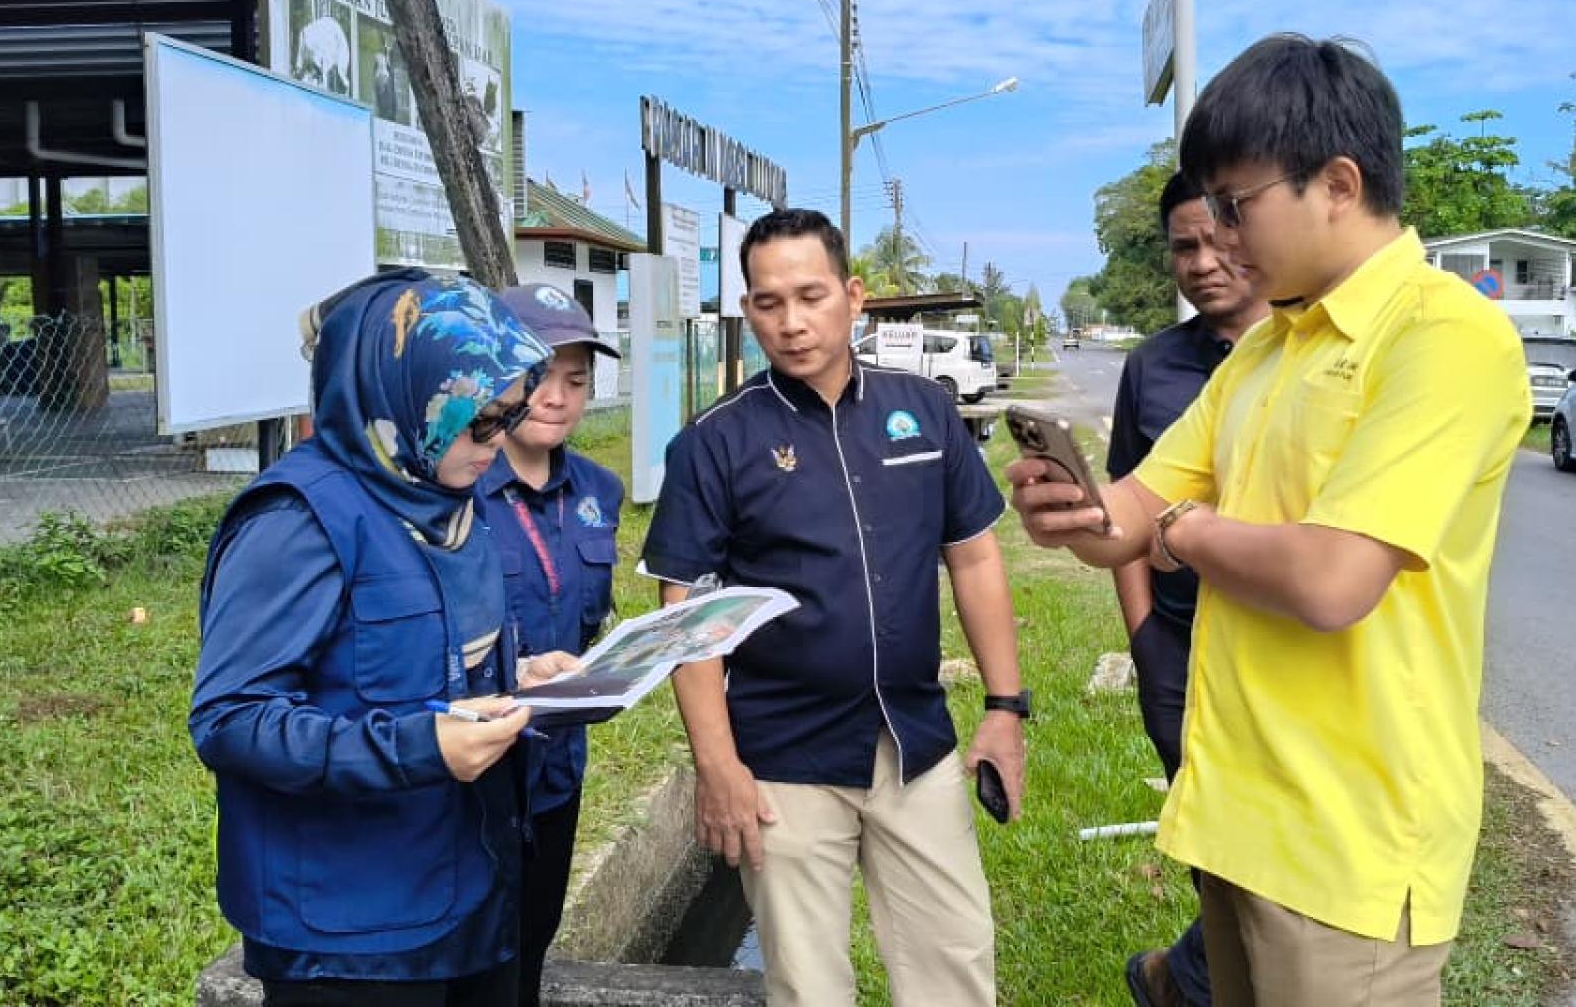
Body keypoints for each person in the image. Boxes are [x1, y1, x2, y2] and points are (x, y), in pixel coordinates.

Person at [1008, 35, 1530, 1006]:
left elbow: (1334, 580)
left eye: (1237, 207)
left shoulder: (1445, 336)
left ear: (1337, 183)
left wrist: (1182, 534)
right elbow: (1127, 513)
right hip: (1237, 815)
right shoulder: (1263, 353)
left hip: (1352, 845)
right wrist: (1066, 511)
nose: (1223, 240)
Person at [641, 208, 1028, 1007]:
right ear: (748, 312)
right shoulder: (715, 443)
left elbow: (976, 555)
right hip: (783, 759)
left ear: (854, 296)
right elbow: (688, 617)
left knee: (954, 963)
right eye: (769, 302)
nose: (791, 322)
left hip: (912, 743)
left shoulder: (922, 410)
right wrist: (718, 768)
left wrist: (1004, 707)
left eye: (810, 296)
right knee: (808, 986)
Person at [191, 269, 581, 1006]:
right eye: (479, 420)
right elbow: (230, 720)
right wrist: (420, 745)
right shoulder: (297, 521)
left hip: (465, 894)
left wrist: (517, 677)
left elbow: (421, 658)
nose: (497, 444)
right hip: (352, 939)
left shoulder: (446, 500)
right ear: (408, 399)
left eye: (508, 416)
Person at [1111, 171, 1270, 1007]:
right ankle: (1191, 981)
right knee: (1215, 849)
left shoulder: (1305, 357)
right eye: (1184, 246)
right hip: (1180, 651)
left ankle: (1177, 977)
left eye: (1218, 239)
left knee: (1272, 862)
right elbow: (1124, 514)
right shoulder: (1154, 369)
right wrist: (1144, 639)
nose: (1205, 262)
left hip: (1280, 655)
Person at [477, 284, 625, 1007]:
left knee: (532, 946)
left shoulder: (601, 489)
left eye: (576, 380)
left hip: (556, 771)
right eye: (537, 376)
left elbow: (589, 622)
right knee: (475, 958)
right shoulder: (456, 487)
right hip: (470, 776)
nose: (557, 397)